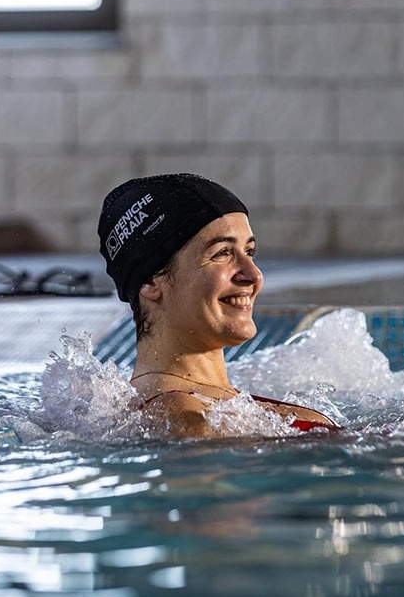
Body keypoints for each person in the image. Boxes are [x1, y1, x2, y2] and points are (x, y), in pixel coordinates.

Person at [97, 173, 339, 437]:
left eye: (249, 252)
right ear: (152, 282)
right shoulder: (184, 417)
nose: (253, 275)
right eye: (222, 253)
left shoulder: (211, 409)